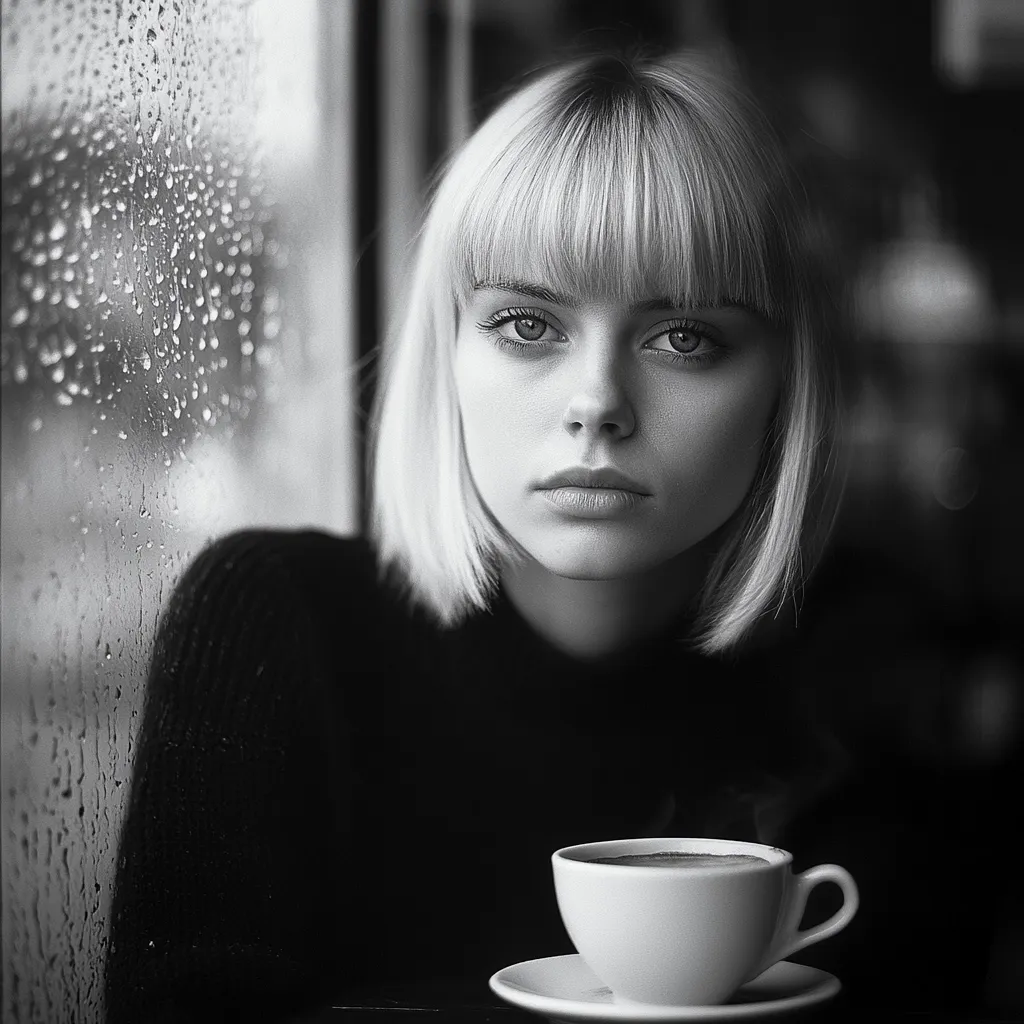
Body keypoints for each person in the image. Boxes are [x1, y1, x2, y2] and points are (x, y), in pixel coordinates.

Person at [104, 50, 996, 1024]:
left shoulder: (875, 665)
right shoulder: (277, 627)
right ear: (444, 355)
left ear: (786, 384)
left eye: (684, 337)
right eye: (528, 323)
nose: (596, 405)